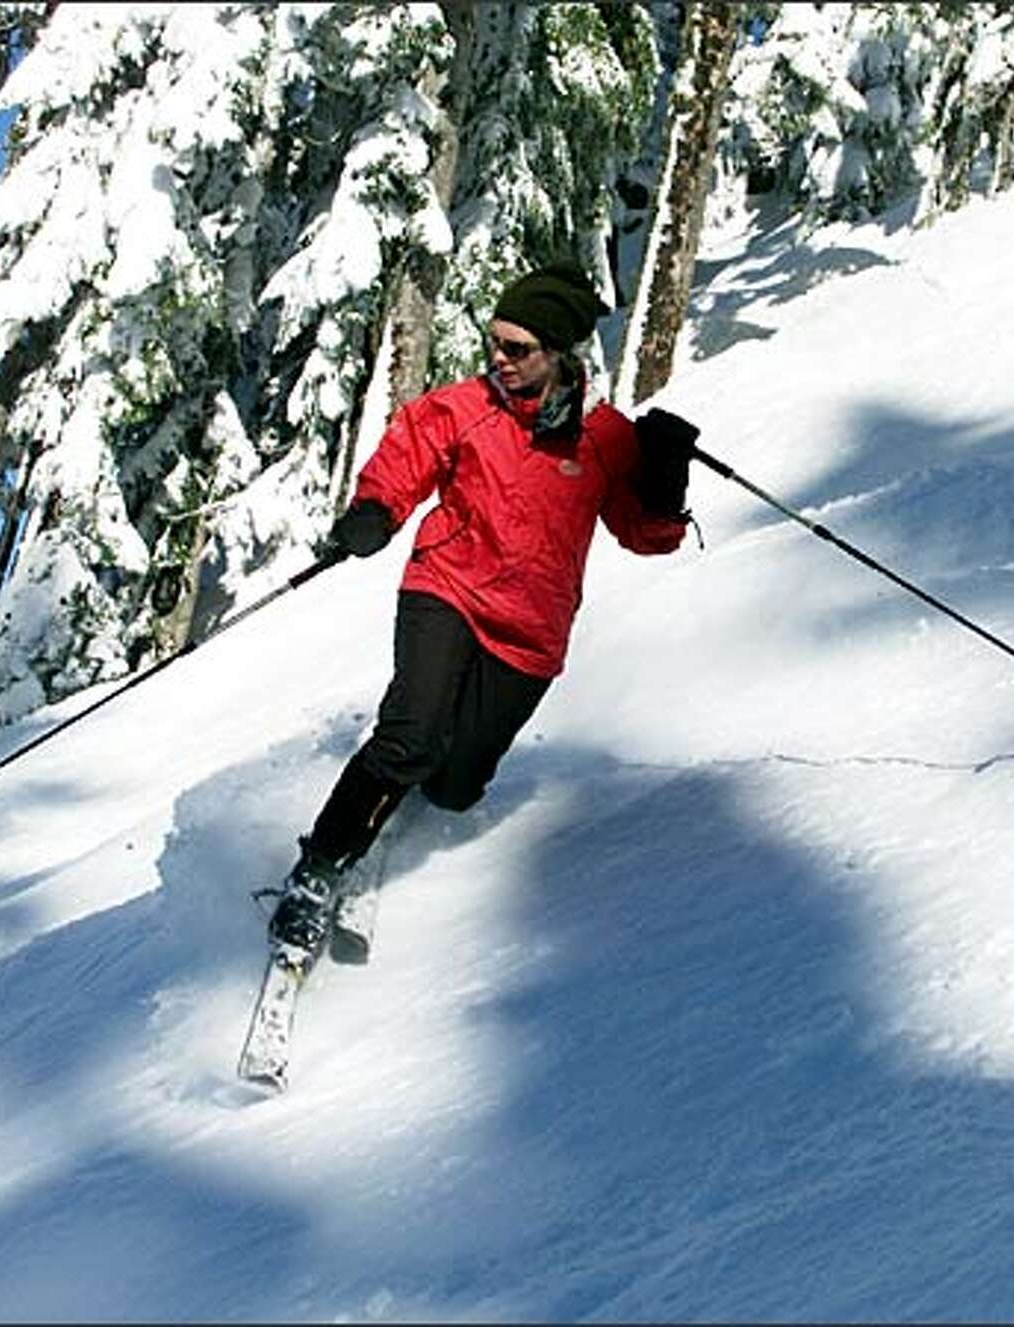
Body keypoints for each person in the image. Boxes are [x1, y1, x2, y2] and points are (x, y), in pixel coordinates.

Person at [267, 262, 700, 967]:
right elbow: (408, 454)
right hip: (448, 588)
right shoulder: (466, 407)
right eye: (493, 342)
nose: (499, 359)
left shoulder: (604, 439)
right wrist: (374, 511)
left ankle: (413, 778)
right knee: (409, 737)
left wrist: (664, 480)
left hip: (530, 632)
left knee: (453, 786)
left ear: (558, 353)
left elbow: (644, 535)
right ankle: (317, 873)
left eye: (517, 348)